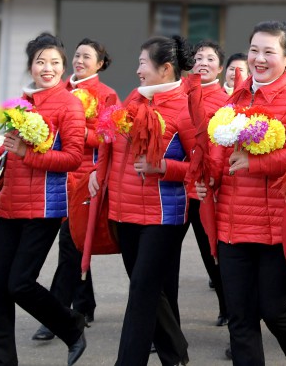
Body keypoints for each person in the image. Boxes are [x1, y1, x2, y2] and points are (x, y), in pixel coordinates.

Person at [198, 22, 286, 366]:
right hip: (232, 223)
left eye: (269, 52)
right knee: (239, 316)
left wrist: (257, 162)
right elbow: (220, 151)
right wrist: (209, 178)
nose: (258, 59)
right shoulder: (235, 96)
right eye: (254, 50)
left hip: (279, 225)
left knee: (274, 309)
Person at [89, 35, 196, 366]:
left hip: (163, 215)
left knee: (139, 295)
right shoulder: (135, 98)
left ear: (165, 69)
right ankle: (176, 353)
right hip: (124, 210)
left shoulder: (187, 108)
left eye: (142, 63)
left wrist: (163, 167)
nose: (136, 70)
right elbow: (111, 140)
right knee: (148, 290)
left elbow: (202, 167)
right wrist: (99, 171)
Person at [0, 33, 88, 365]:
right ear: (31, 66)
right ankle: (0, 360)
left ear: (63, 67)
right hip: (10, 204)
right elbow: (9, 151)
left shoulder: (70, 103)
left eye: (55, 63)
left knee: (19, 284)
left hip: (45, 206)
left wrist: (27, 155)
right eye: (40, 62)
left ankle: (70, 325)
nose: (47, 68)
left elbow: (73, 158)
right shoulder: (20, 103)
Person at [33, 38, 117, 342]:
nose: (79, 61)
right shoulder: (61, 91)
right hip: (56, 174)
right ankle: (84, 304)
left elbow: (111, 137)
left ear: (100, 64)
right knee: (75, 244)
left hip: (84, 179)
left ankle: (56, 315)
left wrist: (82, 132)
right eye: (77, 56)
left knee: (70, 246)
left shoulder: (107, 95)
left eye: (87, 57)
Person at [186, 40, 230, 327]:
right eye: (198, 58)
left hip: (206, 189)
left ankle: (228, 306)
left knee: (212, 253)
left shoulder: (226, 103)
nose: (203, 62)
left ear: (220, 67)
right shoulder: (180, 94)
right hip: (177, 187)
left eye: (210, 58)